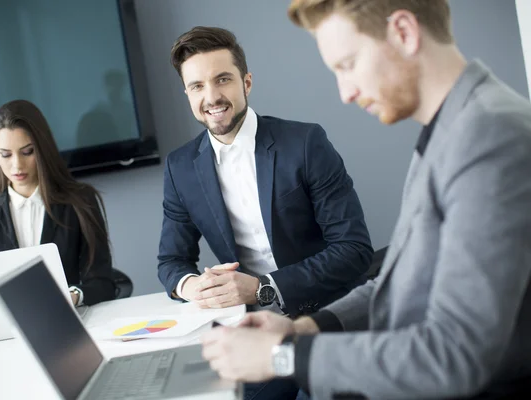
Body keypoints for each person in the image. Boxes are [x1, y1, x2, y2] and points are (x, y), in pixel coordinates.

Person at [201, 1, 531, 399]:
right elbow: (397, 284)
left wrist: (284, 355)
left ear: (404, 32)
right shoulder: (452, 130)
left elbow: (456, 354)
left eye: (348, 64)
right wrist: (303, 329)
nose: (346, 92)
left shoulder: (489, 137)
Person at [158, 25, 373, 318]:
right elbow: (171, 260)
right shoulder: (179, 168)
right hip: (250, 323)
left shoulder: (305, 143)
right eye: (197, 86)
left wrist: (263, 288)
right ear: (188, 93)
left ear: (247, 83)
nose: (211, 97)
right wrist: (192, 286)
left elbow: (353, 248)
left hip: (327, 312)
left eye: (222, 79)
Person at [0, 100, 116, 306]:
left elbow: (102, 283)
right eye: (5, 154)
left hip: (68, 321)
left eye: (27, 152)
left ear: (42, 147)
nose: (17, 165)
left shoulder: (81, 201)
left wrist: (73, 296)